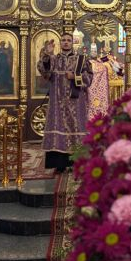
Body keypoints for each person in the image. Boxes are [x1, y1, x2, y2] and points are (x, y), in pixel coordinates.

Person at [37, 33, 93, 172]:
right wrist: (46, 54)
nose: (66, 42)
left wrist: (75, 76)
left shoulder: (81, 59)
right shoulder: (54, 59)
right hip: (58, 102)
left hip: (76, 101)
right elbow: (44, 72)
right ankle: (59, 164)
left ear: (72, 42)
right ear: (60, 43)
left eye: (68, 40)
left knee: (76, 127)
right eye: (63, 40)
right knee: (59, 127)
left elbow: (89, 78)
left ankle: (77, 163)